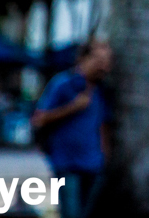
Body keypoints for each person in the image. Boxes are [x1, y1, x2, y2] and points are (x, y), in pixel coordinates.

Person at [32, 39, 112, 218]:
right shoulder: (63, 84)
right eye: (98, 61)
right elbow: (40, 118)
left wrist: (104, 158)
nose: (103, 66)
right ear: (83, 59)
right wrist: (73, 107)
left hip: (94, 164)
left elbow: (103, 127)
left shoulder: (101, 90)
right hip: (67, 163)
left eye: (106, 62)